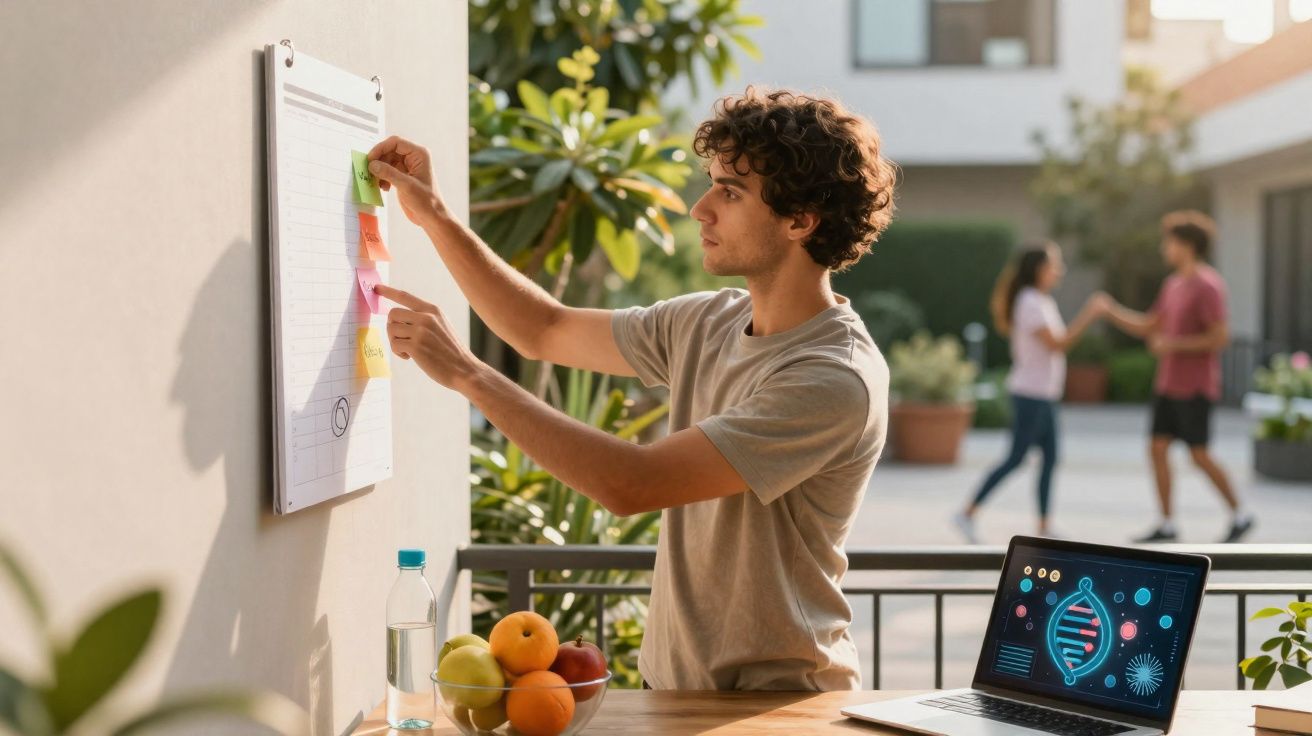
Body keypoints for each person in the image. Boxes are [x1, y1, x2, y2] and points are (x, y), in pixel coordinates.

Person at [365, 87, 897, 690]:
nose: (700, 209)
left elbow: (632, 483)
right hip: (673, 691)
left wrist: (467, 374)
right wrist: (434, 215)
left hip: (778, 707)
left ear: (800, 220)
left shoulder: (833, 376)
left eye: (729, 192)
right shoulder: (708, 320)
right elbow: (544, 328)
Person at [1102, 211, 1254, 543]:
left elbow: (1220, 337)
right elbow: (1149, 325)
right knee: (1157, 448)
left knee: (1199, 455)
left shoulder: (1209, 285)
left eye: (1168, 242)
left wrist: (1174, 344)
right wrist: (1110, 311)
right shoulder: (1172, 284)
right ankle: (1167, 523)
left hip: (1195, 386)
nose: (1163, 248)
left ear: (1187, 245)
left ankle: (1240, 514)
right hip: (1167, 384)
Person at [953, 242, 1108, 543]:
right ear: (1039, 269)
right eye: (1054, 264)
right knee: (1015, 458)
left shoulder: (1040, 300)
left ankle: (1044, 525)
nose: (1058, 270)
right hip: (1030, 395)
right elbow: (1058, 344)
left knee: (1050, 459)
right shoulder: (1029, 302)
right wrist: (1090, 314)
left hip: (1045, 394)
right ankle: (967, 513)